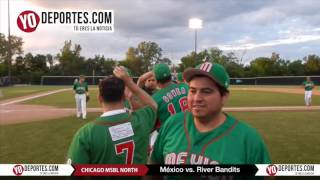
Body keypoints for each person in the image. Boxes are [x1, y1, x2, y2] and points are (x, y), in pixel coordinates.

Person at [150, 62, 271, 179]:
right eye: (192, 91)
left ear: (224, 97)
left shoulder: (248, 139)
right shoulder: (172, 123)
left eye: (206, 91)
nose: (197, 98)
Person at [67, 66, 157, 165]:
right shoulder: (141, 120)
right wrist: (130, 83)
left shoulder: (86, 134)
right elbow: (153, 105)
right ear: (123, 97)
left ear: (100, 98)